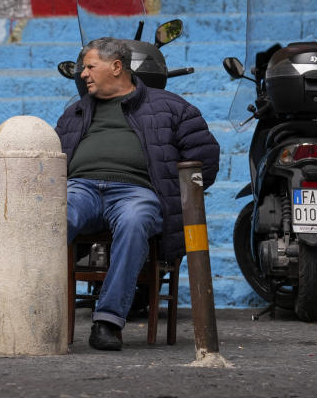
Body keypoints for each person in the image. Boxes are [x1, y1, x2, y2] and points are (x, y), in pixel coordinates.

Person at [56, 37, 219, 351]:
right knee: (53, 218)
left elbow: (205, 158)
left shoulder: (171, 106)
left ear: (116, 67)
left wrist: (172, 194)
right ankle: (33, 310)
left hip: (137, 192)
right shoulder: (74, 112)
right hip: (81, 188)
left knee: (135, 221)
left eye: (90, 67)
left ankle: (107, 321)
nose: (83, 74)